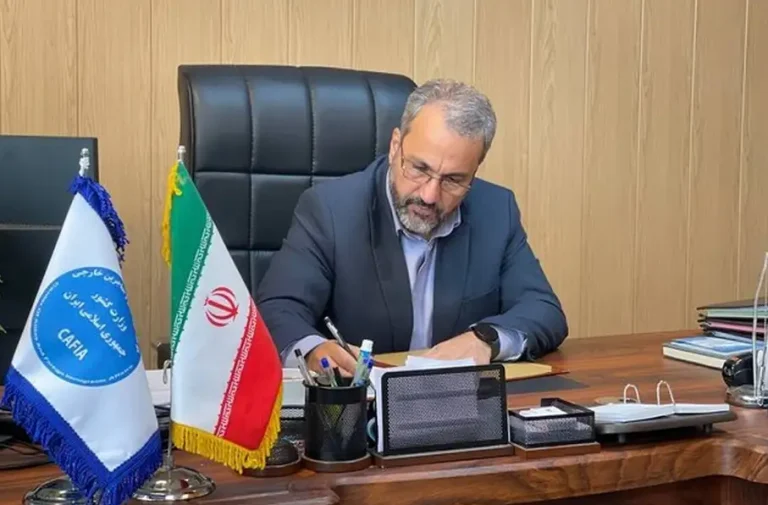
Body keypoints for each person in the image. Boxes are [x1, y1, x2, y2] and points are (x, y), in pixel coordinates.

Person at [255, 78, 568, 376]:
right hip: (361, 403)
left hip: (458, 401)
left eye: (453, 180)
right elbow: (278, 309)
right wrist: (314, 350)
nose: (429, 195)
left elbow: (543, 309)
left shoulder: (495, 210)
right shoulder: (331, 210)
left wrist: (485, 339)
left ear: (474, 171)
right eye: (419, 168)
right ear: (395, 146)